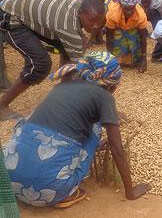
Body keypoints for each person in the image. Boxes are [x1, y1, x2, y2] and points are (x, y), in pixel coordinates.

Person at [3, 52, 151, 207]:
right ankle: (65, 195)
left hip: (8, 179)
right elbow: (117, 150)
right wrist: (130, 192)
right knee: (96, 125)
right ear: (112, 85)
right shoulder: (104, 97)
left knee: (35, 121)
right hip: (48, 193)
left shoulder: (61, 86)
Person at [0, 0, 106, 119]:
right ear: (80, 14)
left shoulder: (86, 8)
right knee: (40, 65)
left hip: (31, 13)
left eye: (99, 22)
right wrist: (103, 106)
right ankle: (2, 105)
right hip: (11, 16)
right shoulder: (67, 26)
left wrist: (84, 41)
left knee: (68, 49)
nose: (96, 26)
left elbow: (77, 50)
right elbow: (81, 67)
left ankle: (62, 94)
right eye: (92, 21)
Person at [105, 0, 147, 73]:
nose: (129, 12)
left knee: (135, 37)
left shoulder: (141, 15)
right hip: (117, 25)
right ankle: (117, 60)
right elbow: (109, 37)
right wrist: (109, 60)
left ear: (135, 6)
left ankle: (134, 60)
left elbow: (143, 38)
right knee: (117, 36)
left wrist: (144, 59)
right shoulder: (113, 13)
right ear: (121, 6)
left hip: (131, 26)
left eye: (132, 9)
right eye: (126, 9)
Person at [139, 0, 162, 64]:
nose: (145, 4)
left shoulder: (159, 2)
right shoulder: (137, 1)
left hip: (155, 13)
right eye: (143, 2)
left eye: (147, 2)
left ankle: (157, 54)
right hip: (144, 14)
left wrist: (161, 30)